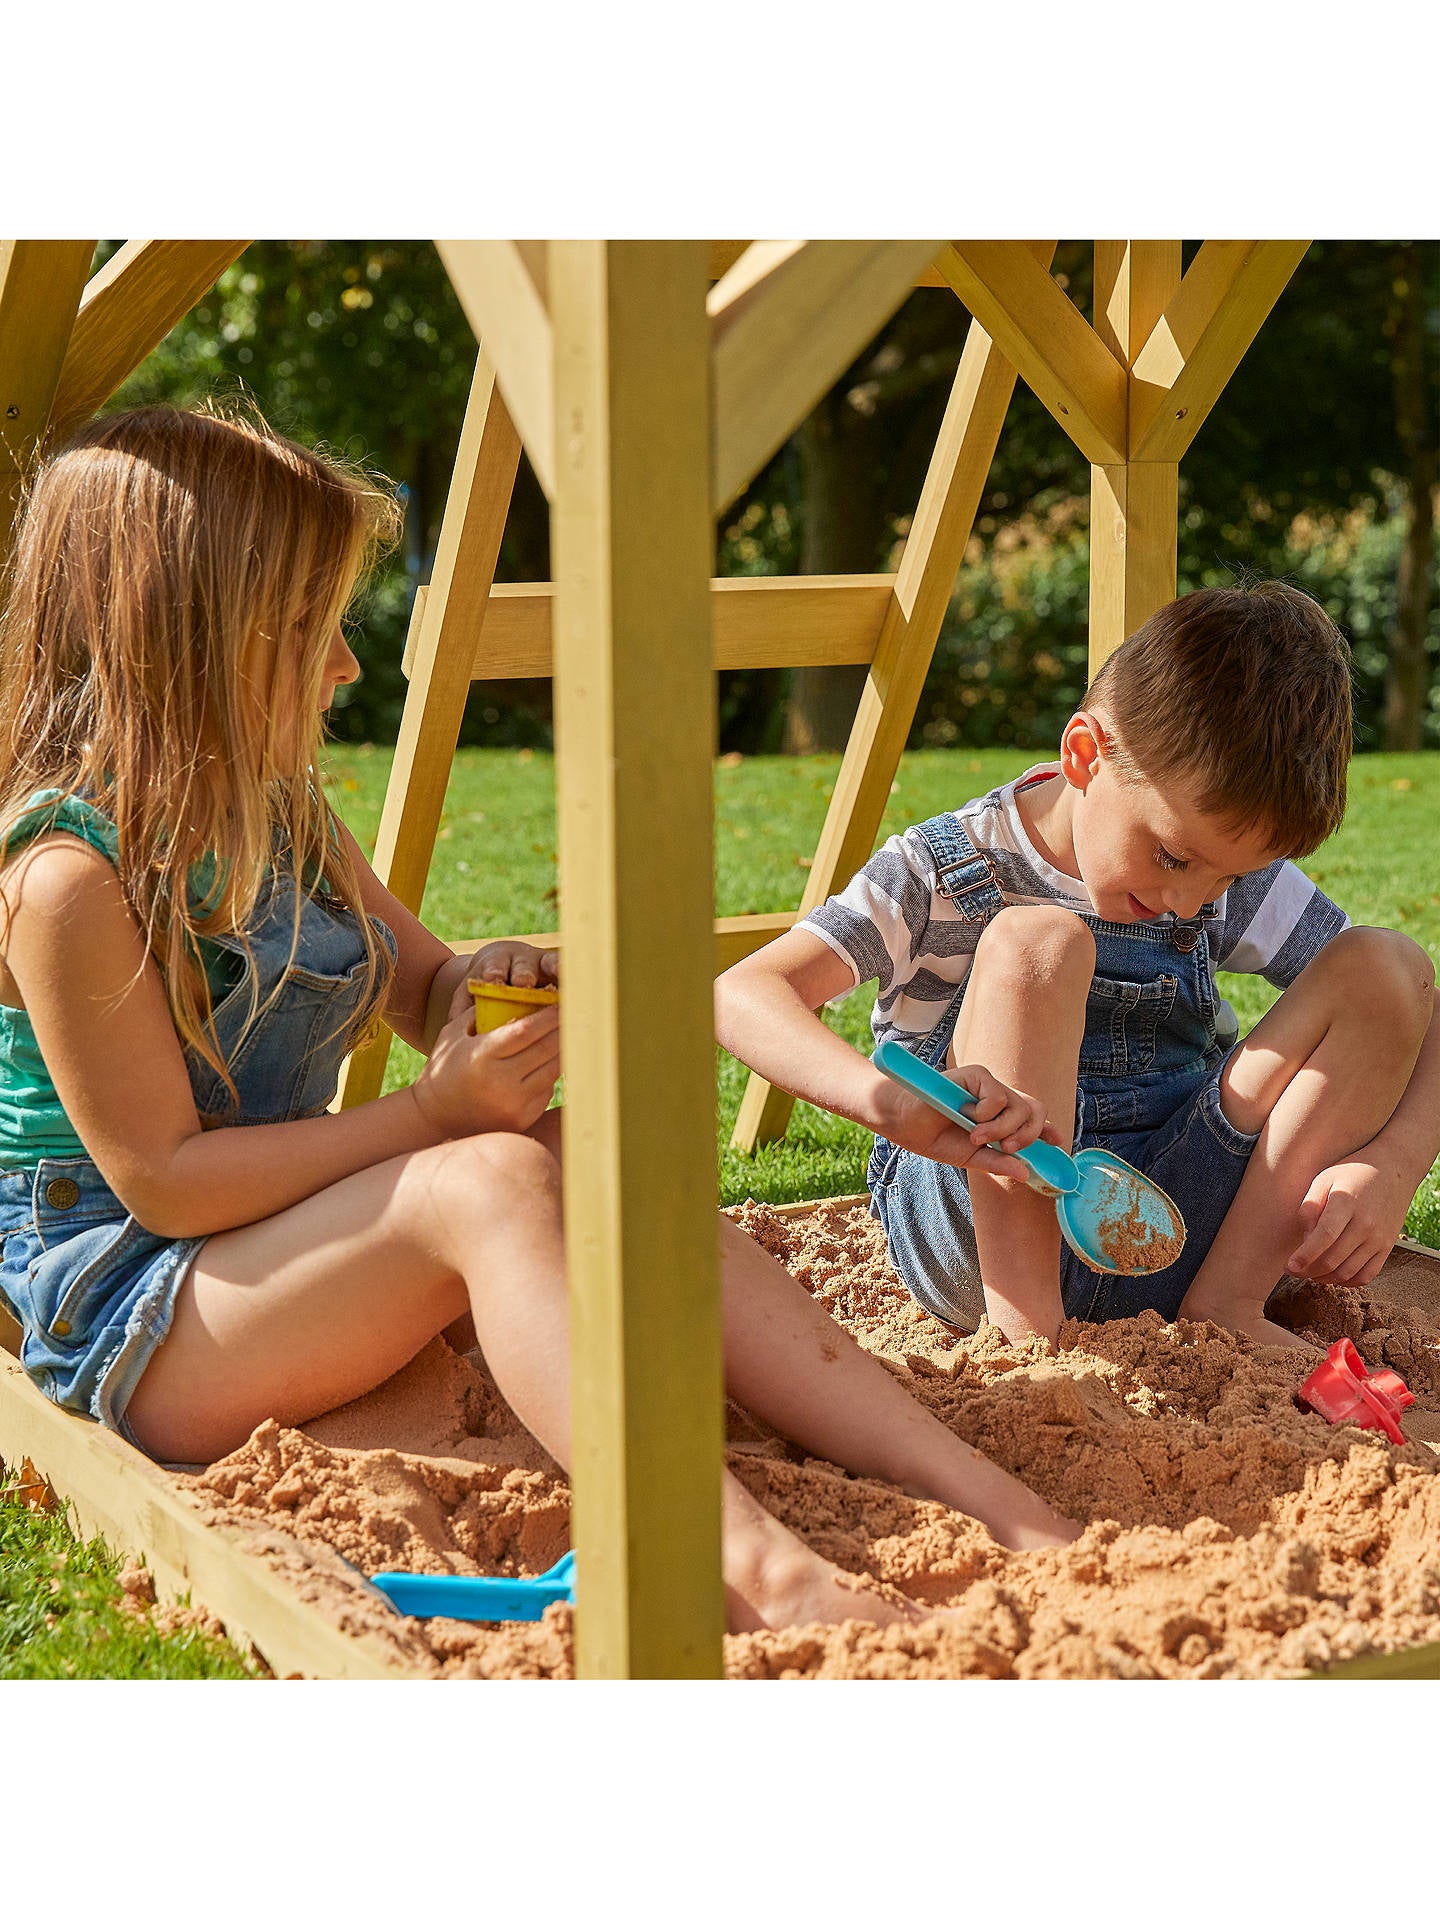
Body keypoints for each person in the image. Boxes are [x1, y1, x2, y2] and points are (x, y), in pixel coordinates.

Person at [0, 402, 1079, 1644]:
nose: (346, 663)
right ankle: (743, 1568)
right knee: (487, 1182)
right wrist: (433, 1116)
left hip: (269, 1250)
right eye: (305, 630)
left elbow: (418, 991)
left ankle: (965, 1481)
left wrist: (478, 987)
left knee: (577, 1159)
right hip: (141, 1313)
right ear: (174, 644)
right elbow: (169, 1184)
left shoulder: (276, 810)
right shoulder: (68, 880)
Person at [716, 583, 1438, 1352]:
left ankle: (1230, 1303)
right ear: (1084, 754)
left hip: (1177, 1224)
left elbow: (1408, 1009)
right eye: (1173, 856)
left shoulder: (1218, 867)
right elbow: (743, 992)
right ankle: (1028, 1338)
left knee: (1387, 966)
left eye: (1224, 880)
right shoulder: (945, 868)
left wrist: (1396, 1162)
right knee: (1040, 945)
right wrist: (883, 1103)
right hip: (977, 1237)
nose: (1186, 902)